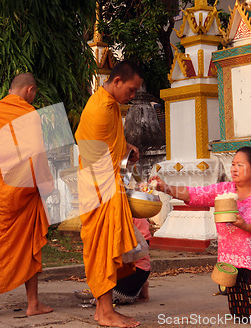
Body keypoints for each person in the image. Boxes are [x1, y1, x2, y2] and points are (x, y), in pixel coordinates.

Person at [150, 146, 251, 323]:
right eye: (233, 164)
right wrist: (166, 187)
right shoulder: (224, 190)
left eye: (240, 165)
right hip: (232, 262)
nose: (234, 169)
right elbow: (195, 194)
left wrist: (245, 225)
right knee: (241, 315)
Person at [0, 73, 53, 318]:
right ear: (29, 90)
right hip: (23, 193)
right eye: (34, 94)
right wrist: (46, 185)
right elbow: (37, 155)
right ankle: (32, 304)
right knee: (28, 246)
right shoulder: (29, 116)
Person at [75, 60, 142, 328]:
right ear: (116, 82)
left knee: (106, 247)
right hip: (99, 188)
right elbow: (96, 157)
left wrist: (126, 148)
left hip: (103, 184)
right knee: (103, 248)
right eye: (132, 89)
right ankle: (104, 312)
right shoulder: (102, 108)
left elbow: (106, 142)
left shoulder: (107, 103)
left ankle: (105, 309)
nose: (133, 96)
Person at [112, 218, 151, 304]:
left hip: (136, 268)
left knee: (108, 298)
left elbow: (143, 247)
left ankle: (142, 284)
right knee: (98, 292)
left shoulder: (138, 218)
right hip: (116, 268)